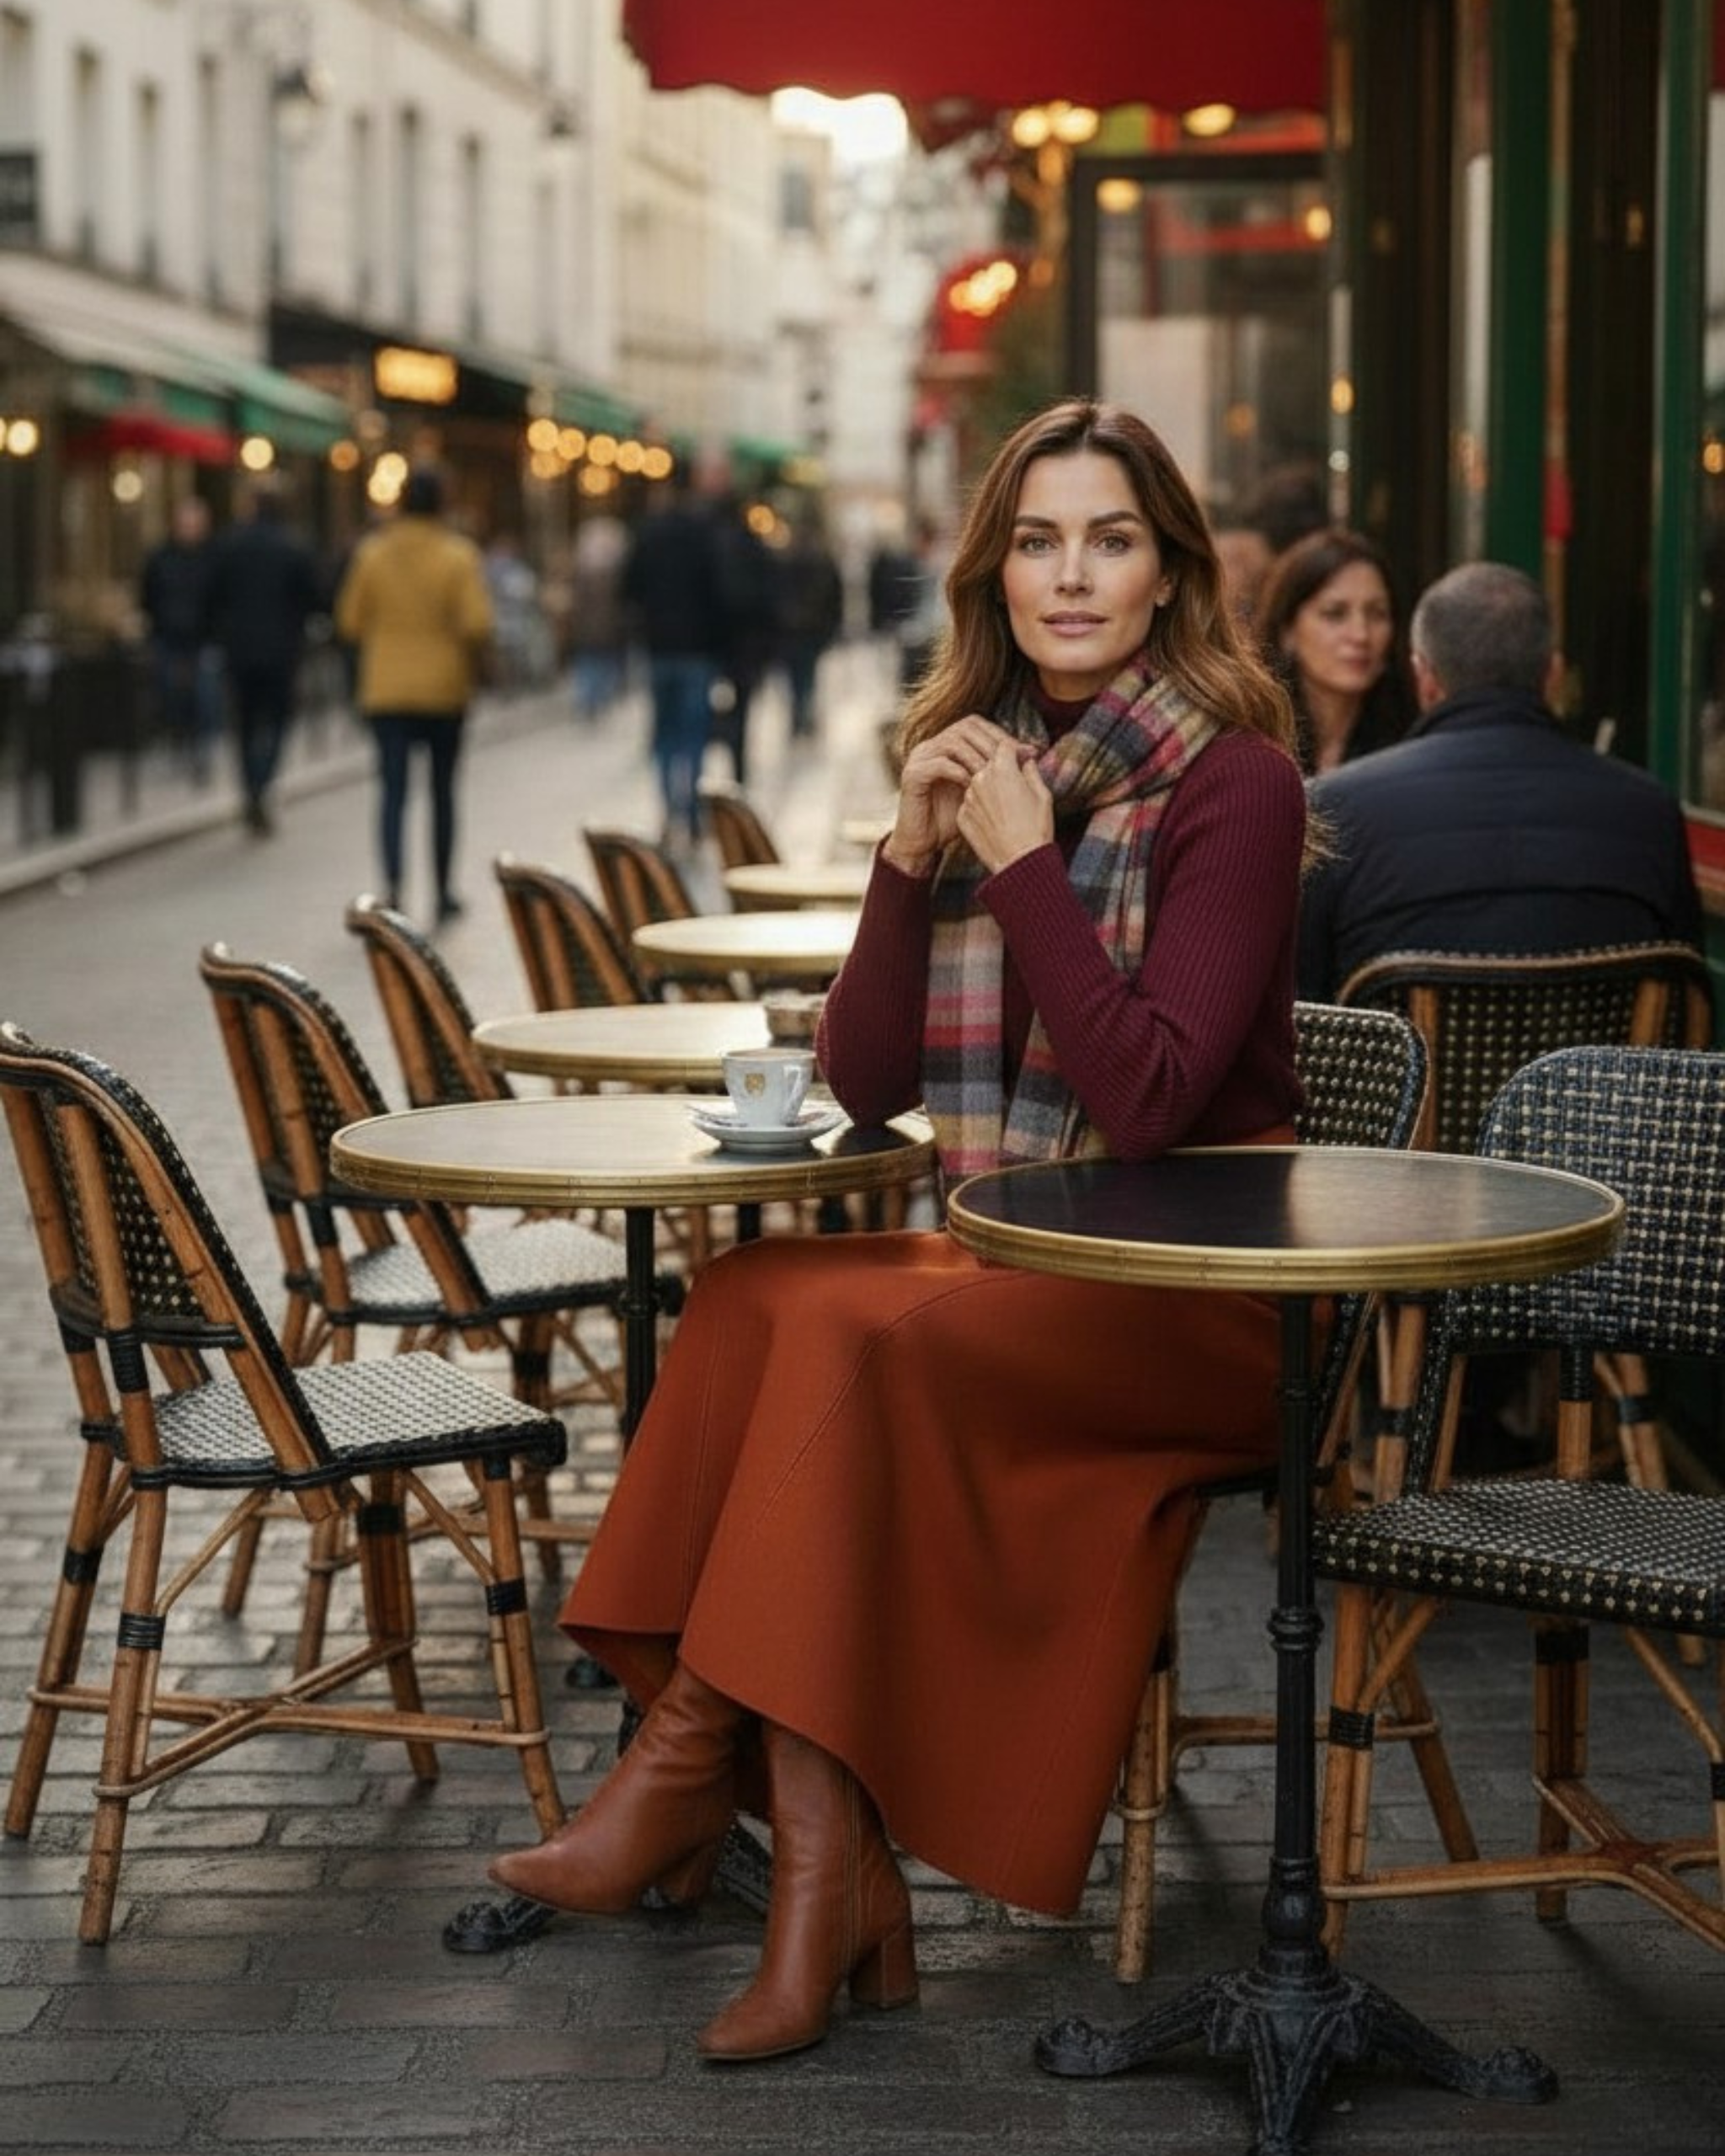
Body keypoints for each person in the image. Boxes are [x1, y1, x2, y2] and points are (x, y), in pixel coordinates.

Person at [487, 398, 1311, 2062]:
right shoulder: (984, 754)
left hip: (1197, 1297)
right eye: (1037, 539)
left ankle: (694, 1783)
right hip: (1024, 1252)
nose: (1071, 575)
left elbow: (1147, 1101)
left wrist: (1022, 873)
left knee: (866, 1343)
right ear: (991, 570)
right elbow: (866, 1083)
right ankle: (829, 1872)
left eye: (1112, 539)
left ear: (1168, 576)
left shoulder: (1238, 781)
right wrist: (905, 854)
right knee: (756, 1301)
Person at [1296, 559, 1705, 1003]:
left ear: (1425, 678)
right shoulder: (1651, 811)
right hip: (1587, 1073)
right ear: (1552, 675)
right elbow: (1687, 1012)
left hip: (1412, 1073)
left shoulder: (1336, 808)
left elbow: (1302, 1009)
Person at [335, 466, 494, 924]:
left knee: (392, 792)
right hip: (444, 690)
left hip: (385, 690)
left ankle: (393, 887)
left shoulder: (373, 554)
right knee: (442, 793)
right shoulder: (457, 555)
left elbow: (349, 620)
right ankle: (443, 889)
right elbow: (476, 623)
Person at [620, 462, 729, 847]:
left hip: (659, 649)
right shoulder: (704, 533)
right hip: (698, 651)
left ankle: (669, 809)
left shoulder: (648, 532)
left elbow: (629, 588)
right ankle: (694, 815)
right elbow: (720, 593)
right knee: (694, 736)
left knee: (665, 735)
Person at [204, 482, 321, 834]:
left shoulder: (229, 545)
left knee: (246, 724)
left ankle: (252, 787)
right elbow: (313, 597)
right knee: (278, 722)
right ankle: (261, 782)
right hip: (281, 651)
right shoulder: (294, 547)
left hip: (239, 650)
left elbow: (212, 595)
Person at [1259, 526, 1414, 773]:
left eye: (1377, 614)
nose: (1361, 635)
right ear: (1288, 631)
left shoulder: (1412, 742)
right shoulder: (1252, 741)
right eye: (1335, 614)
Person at [138, 495, 221, 783]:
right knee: (173, 697)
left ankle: (201, 752)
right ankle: (180, 745)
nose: (190, 528)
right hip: (168, 639)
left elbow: (221, 600)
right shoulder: (160, 558)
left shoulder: (213, 558)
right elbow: (147, 596)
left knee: (205, 700)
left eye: (195, 523)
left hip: (204, 641)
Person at [775, 511, 845, 738]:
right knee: (807, 675)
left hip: (794, 631)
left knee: (796, 677)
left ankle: (800, 715)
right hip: (811, 630)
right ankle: (803, 714)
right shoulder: (822, 561)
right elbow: (835, 597)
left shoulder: (785, 561)